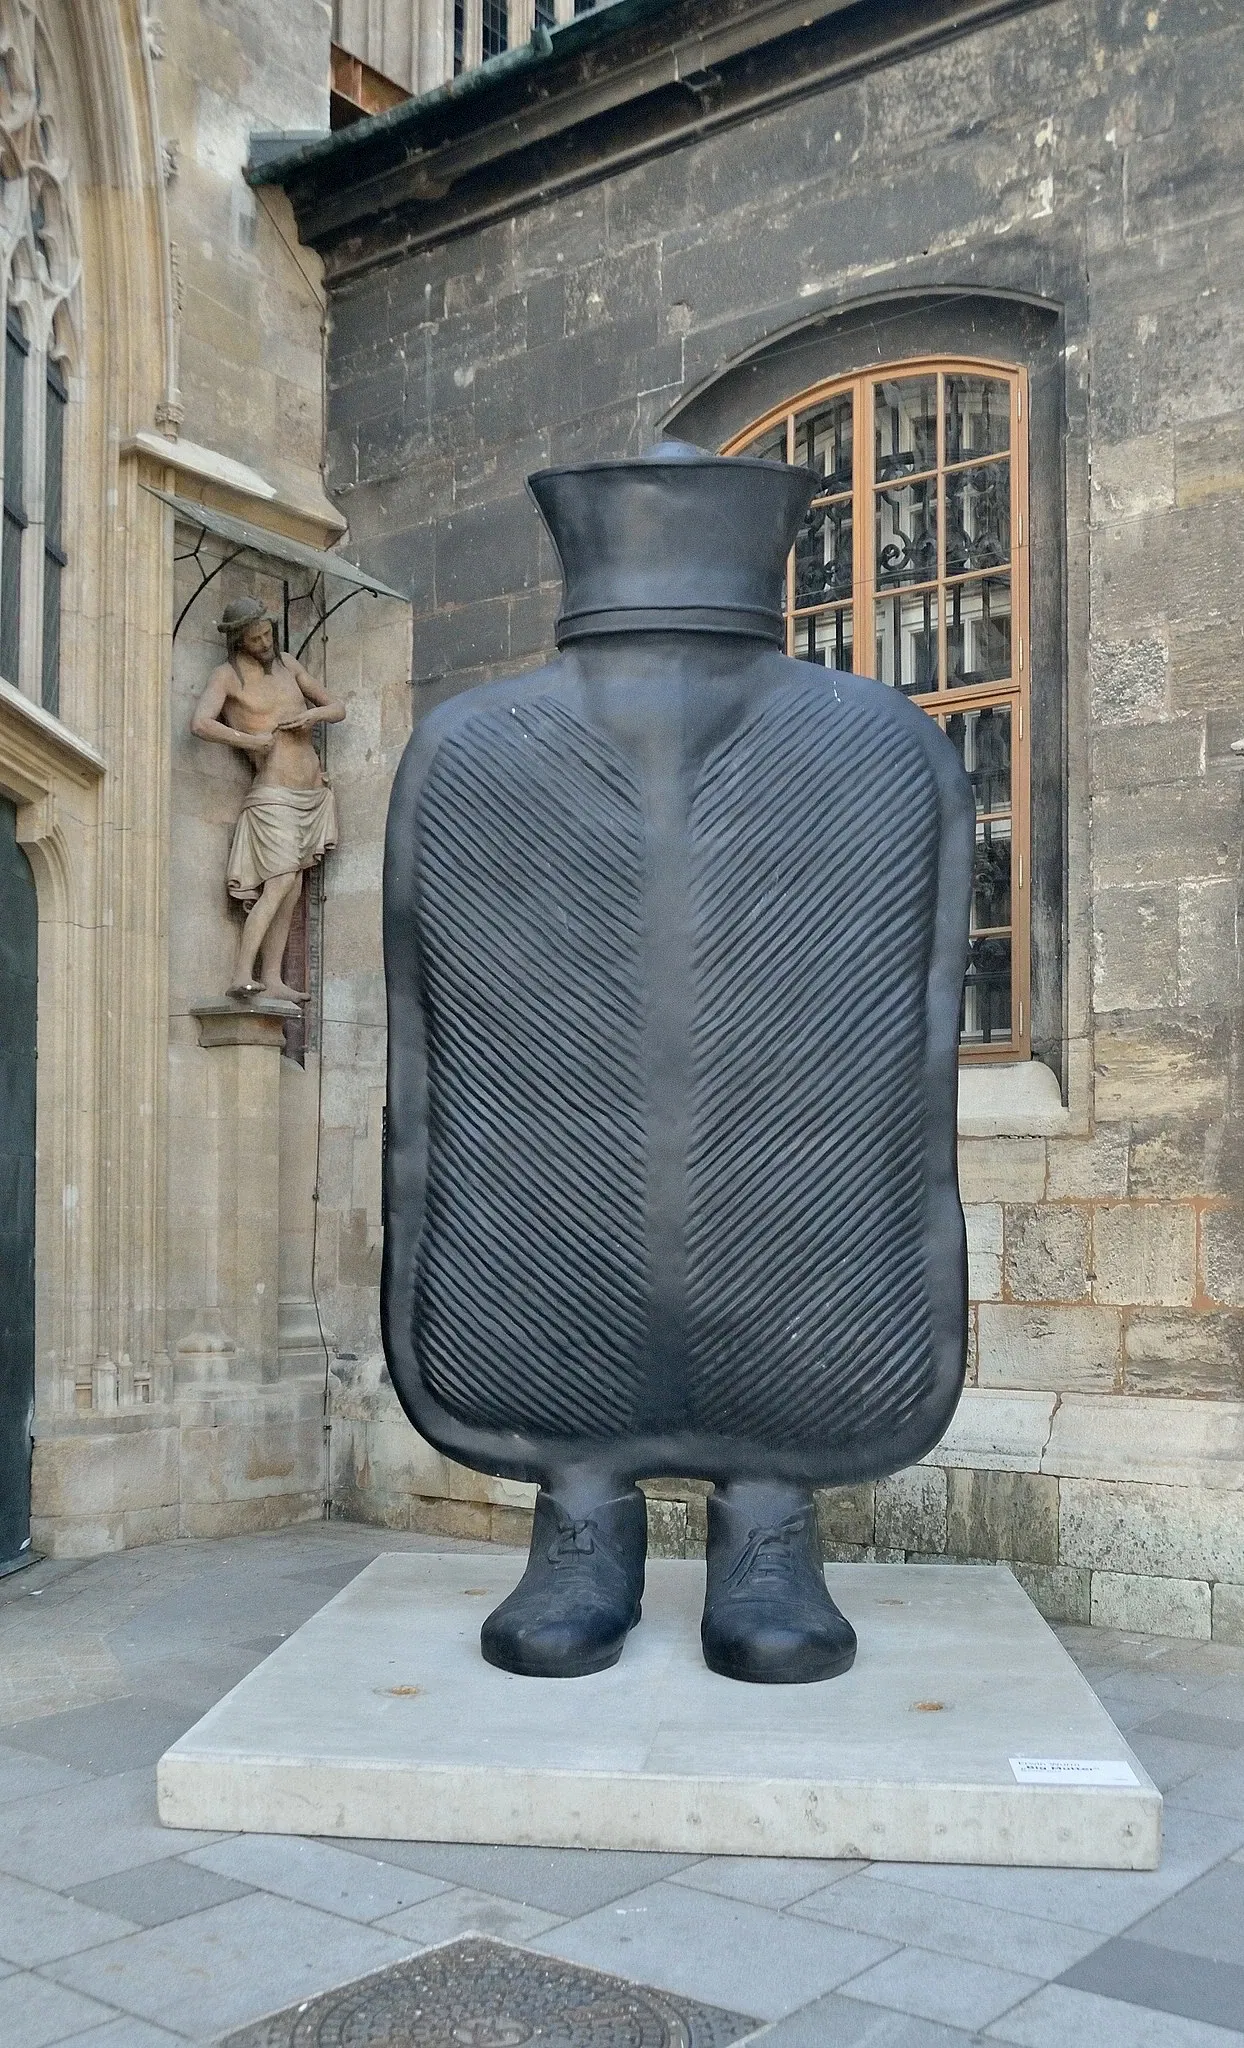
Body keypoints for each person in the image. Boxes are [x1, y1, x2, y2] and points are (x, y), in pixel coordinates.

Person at [191, 597, 345, 1001]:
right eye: (255, 638)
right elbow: (200, 723)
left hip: (310, 794)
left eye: (267, 634)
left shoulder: (290, 666)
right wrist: (248, 739)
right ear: (239, 642)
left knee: (291, 886)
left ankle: (272, 977)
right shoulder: (227, 677)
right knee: (278, 883)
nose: (264, 642)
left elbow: (338, 707)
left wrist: (312, 716)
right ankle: (242, 972)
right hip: (272, 794)